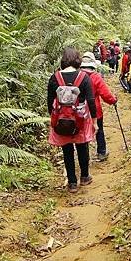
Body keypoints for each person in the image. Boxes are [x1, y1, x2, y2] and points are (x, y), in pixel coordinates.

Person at [47, 48, 97, 192]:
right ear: (77, 60)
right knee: (82, 147)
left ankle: (72, 183)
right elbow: (91, 100)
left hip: (62, 119)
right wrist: (94, 120)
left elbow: (50, 101)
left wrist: (54, 118)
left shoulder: (54, 77)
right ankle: (85, 176)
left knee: (67, 149)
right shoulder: (84, 77)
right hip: (80, 119)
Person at [80, 52, 117, 161]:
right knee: (99, 130)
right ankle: (101, 152)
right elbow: (105, 94)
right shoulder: (95, 77)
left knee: (82, 132)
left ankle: (84, 157)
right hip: (95, 110)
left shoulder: (77, 75)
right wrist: (113, 101)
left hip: (79, 110)